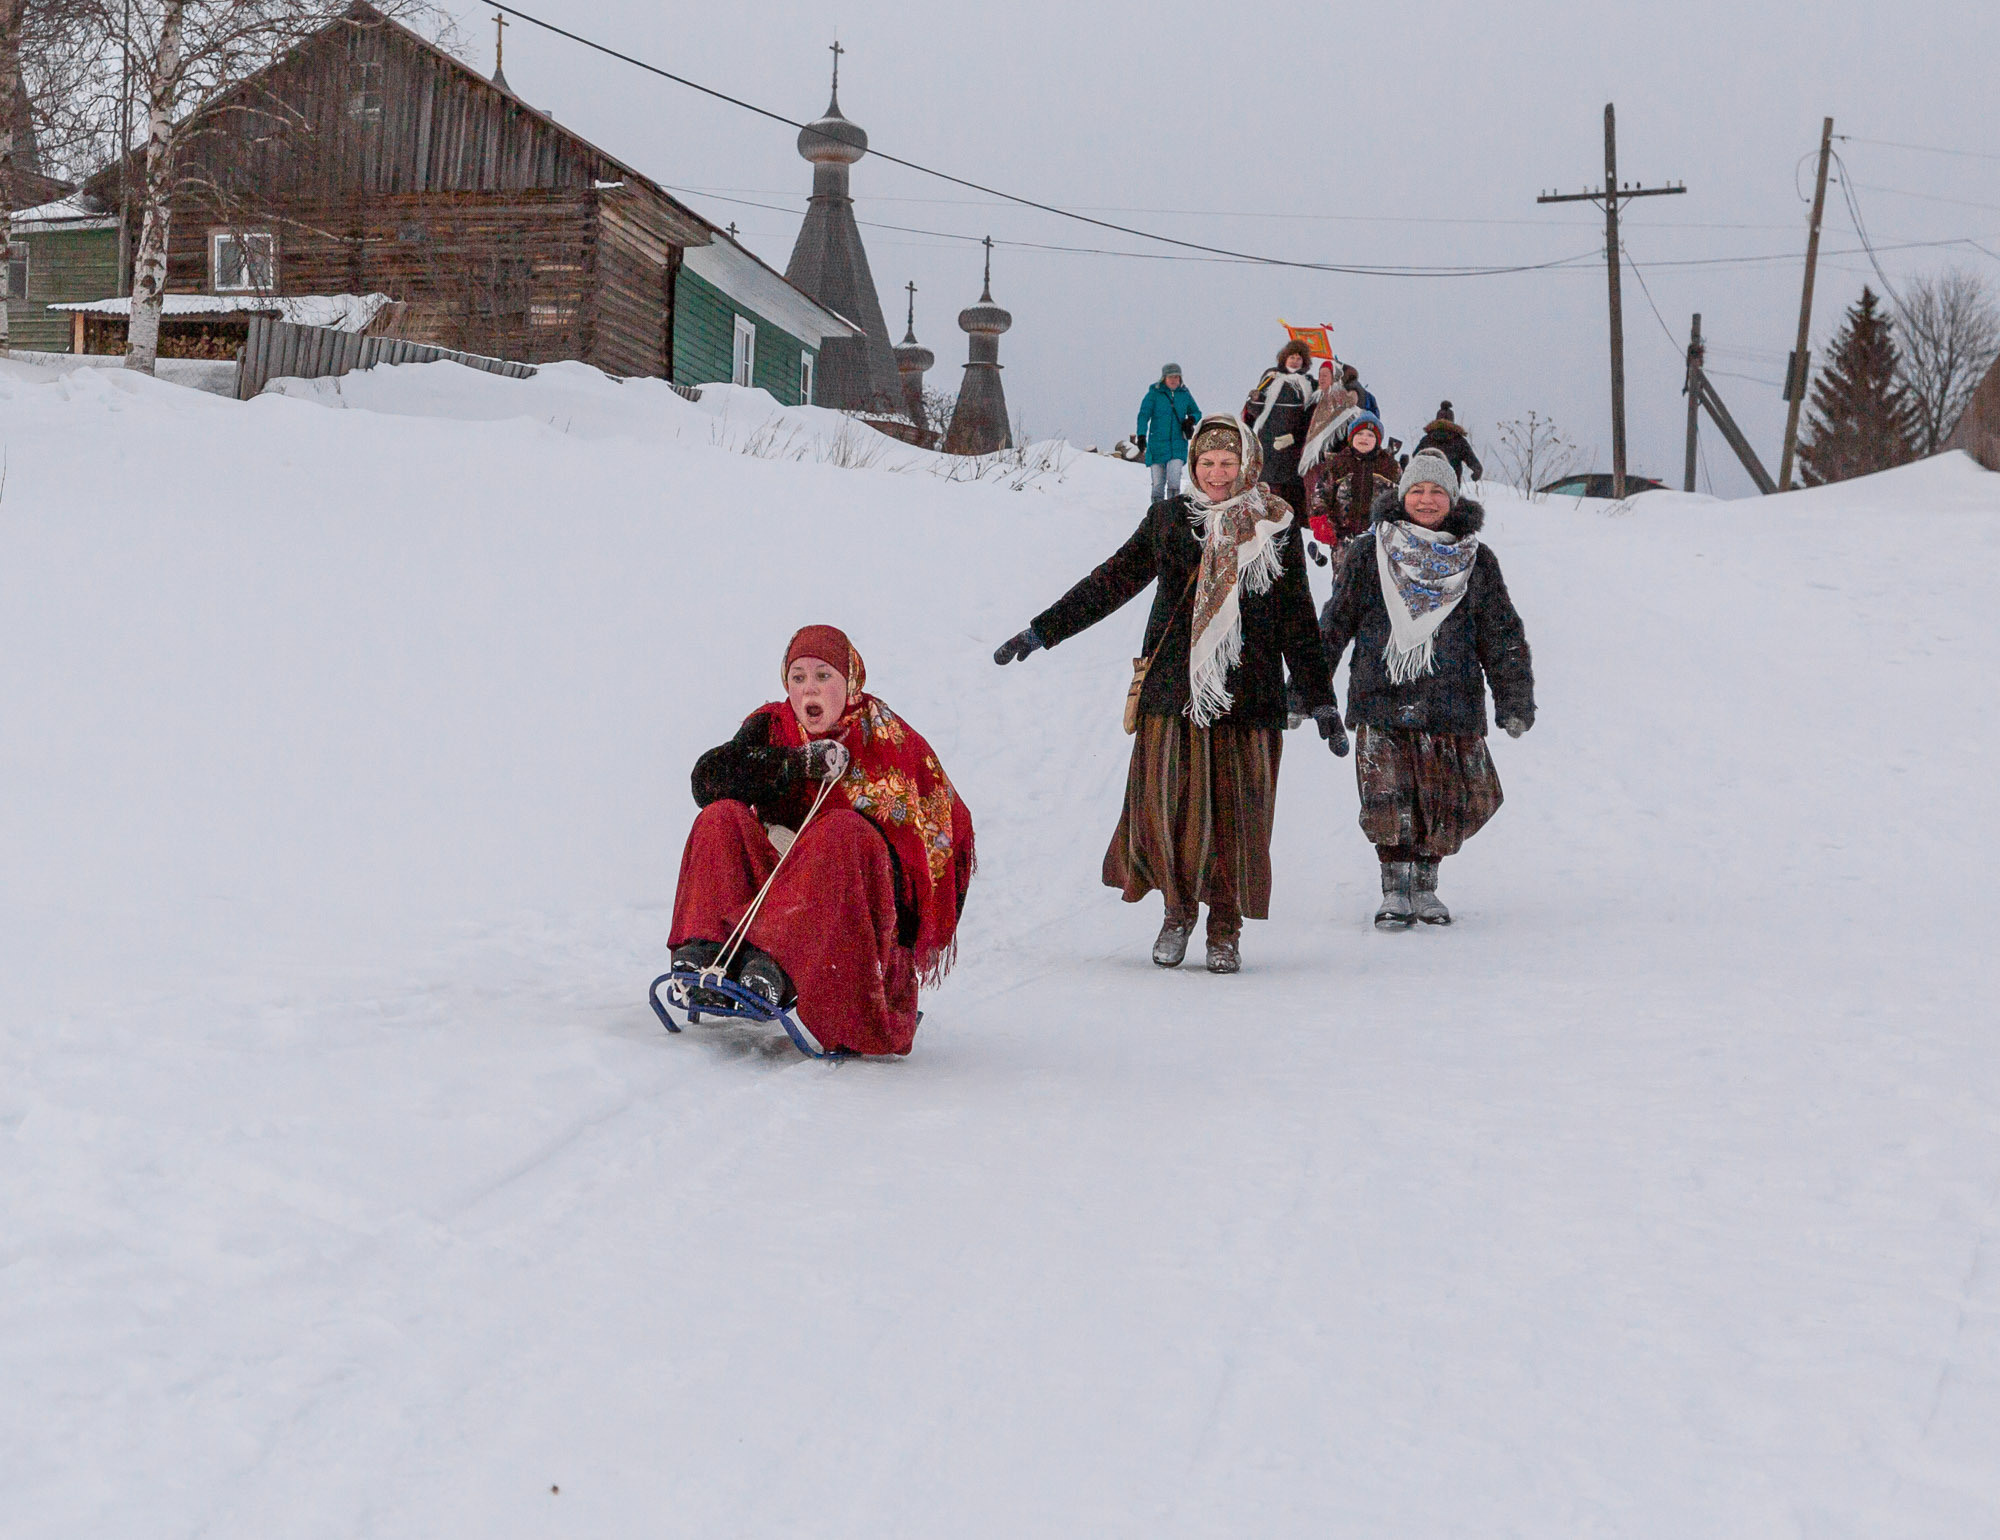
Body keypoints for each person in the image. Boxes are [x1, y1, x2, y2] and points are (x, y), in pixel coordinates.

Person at [991, 415, 1342, 974]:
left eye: (1229, 463)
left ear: (1248, 464)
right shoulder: (1169, 520)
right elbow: (1112, 580)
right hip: (1174, 693)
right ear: (1194, 466)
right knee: (1166, 809)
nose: (1218, 474)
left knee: (1235, 815)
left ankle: (1225, 925)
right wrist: (1042, 631)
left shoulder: (1274, 527)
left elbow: (1297, 618)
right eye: (1207, 463)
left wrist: (1320, 699)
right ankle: (1177, 913)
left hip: (1248, 698)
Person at [668, 625, 975, 1056]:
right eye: (798, 677)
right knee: (721, 817)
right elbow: (708, 781)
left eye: (823, 676)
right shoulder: (774, 725)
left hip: (846, 906)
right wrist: (796, 764)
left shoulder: (886, 738)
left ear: (849, 682)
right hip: (773, 887)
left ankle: (774, 965)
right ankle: (705, 951)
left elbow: (924, 843)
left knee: (840, 831)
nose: (809, 688)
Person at [1318, 450, 1534, 928]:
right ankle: (1394, 886)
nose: (1426, 499)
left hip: (1450, 696)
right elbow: (1335, 623)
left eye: (1437, 491)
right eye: (1417, 489)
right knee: (1386, 794)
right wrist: (1306, 690)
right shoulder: (1370, 552)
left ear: (1453, 499)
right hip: (1382, 691)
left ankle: (1425, 883)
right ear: (1401, 494)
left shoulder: (1477, 561)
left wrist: (1514, 699)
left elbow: (1501, 633)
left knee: (1446, 797)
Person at [1240, 339, 1318, 518]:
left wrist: (1296, 437)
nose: (1295, 361)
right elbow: (1256, 411)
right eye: (1292, 357)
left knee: (1291, 485)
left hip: (1294, 442)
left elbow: (1311, 414)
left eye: (1299, 358)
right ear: (1284, 358)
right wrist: (1255, 399)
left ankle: (1290, 522)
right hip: (1269, 438)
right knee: (1269, 482)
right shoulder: (1271, 378)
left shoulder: (1308, 384)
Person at [1308, 411, 1399, 555]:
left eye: (1370, 435)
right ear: (1351, 438)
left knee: (1376, 576)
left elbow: (1399, 498)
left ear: (1378, 440)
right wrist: (1320, 520)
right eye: (1359, 433)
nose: (1364, 438)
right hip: (1344, 537)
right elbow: (1321, 494)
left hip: (1379, 538)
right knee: (1344, 575)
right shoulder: (1338, 464)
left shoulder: (1389, 467)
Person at [1135, 364, 1201, 503]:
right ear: (1164, 378)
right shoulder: (1154, 395)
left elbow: (1197, 412)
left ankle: (1173, 513)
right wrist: (1141, 435)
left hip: (1177, 445)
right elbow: (1143, 415)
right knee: (1158, 484)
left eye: (1177, 377)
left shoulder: (1184, 394)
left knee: (1174, 482)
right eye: (1171, 376)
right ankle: (1157, 514)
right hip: (1157, 445)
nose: (1174, 380)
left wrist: (1191, 420)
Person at [1415, 401, 1484, 483]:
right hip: (1451, 485)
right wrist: (1477, 471)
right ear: (1452, 420)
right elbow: (1471, 459)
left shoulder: (1427, 439)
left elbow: (1415, 458)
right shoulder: (1459, 440)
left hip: (1429, 484)